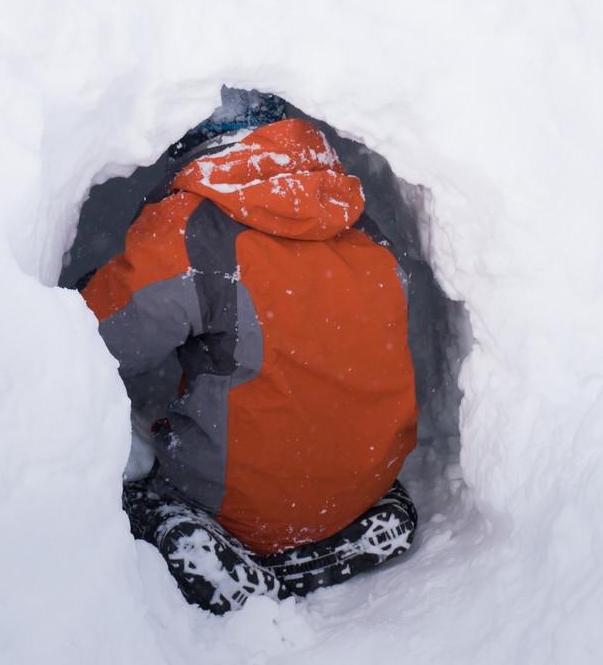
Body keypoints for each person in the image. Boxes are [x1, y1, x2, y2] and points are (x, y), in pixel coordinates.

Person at [80, 114, 419, 613]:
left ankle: (199, 536)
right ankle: (348, 531)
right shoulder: (353, 213)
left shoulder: (193, 223)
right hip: (365, 481)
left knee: (131, 492)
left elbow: (94, 339)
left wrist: (87, 285)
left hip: (241, 501)